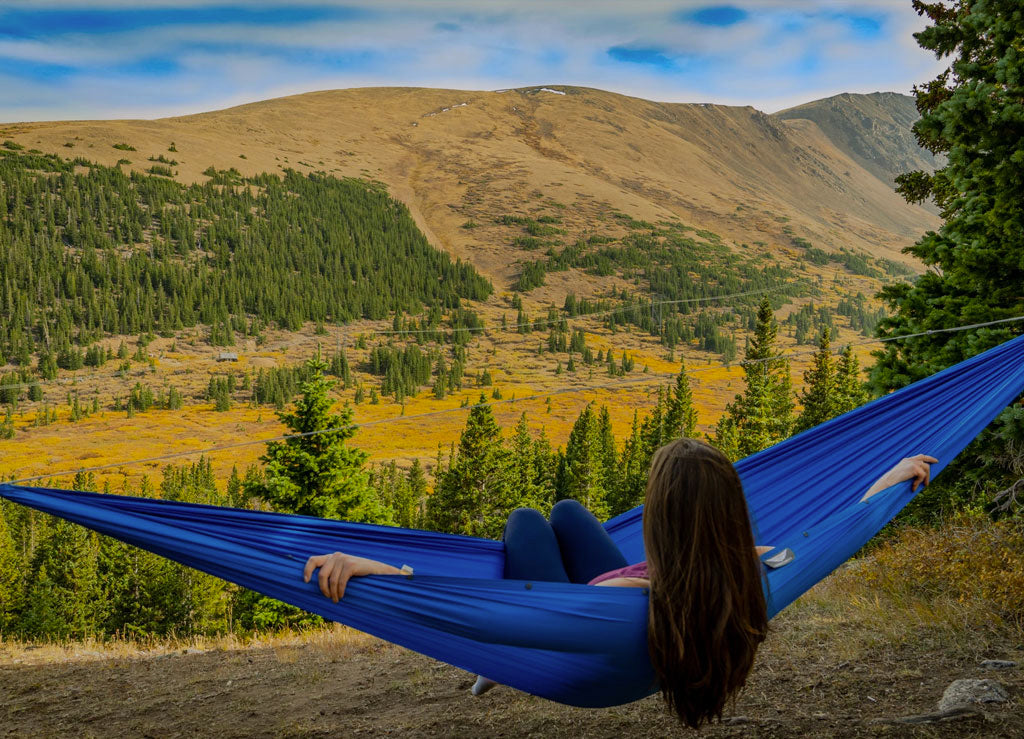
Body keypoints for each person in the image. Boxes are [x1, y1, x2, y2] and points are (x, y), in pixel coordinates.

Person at [303, 439, 936, 728]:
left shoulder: (616, 607)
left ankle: (489, 667)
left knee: (527, 521)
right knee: (571, 512)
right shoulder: (756, 571)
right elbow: (844, 527)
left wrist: (379, 570)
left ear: (660, 516)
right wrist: (893, 475)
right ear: (728, 513)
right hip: (657, 583)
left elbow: (481, 611)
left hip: (570, 628)